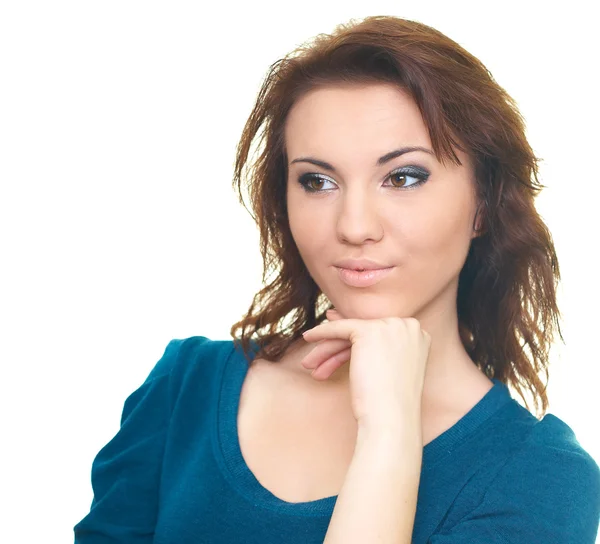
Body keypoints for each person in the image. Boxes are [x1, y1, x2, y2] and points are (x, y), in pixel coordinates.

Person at [73, 15, 600, 543]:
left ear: (483, 203)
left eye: (403, 177)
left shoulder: (541, 478)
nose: (353, 227)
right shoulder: (185, 390)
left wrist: (388, 433)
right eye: (317, 181)